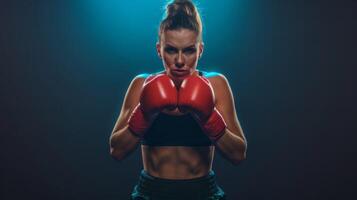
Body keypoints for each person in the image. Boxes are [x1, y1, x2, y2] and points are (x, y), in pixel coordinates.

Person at [109, 0, 247, 199]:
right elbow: (117, 151)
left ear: (200, 50)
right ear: (159, 50)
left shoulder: (216, 85)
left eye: (189, 50)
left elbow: (238, 154)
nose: (180, 61)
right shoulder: (141, 85)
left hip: (202, 192)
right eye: (171, 50)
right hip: (151, 192)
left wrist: (209, 118)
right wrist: (144, 114)